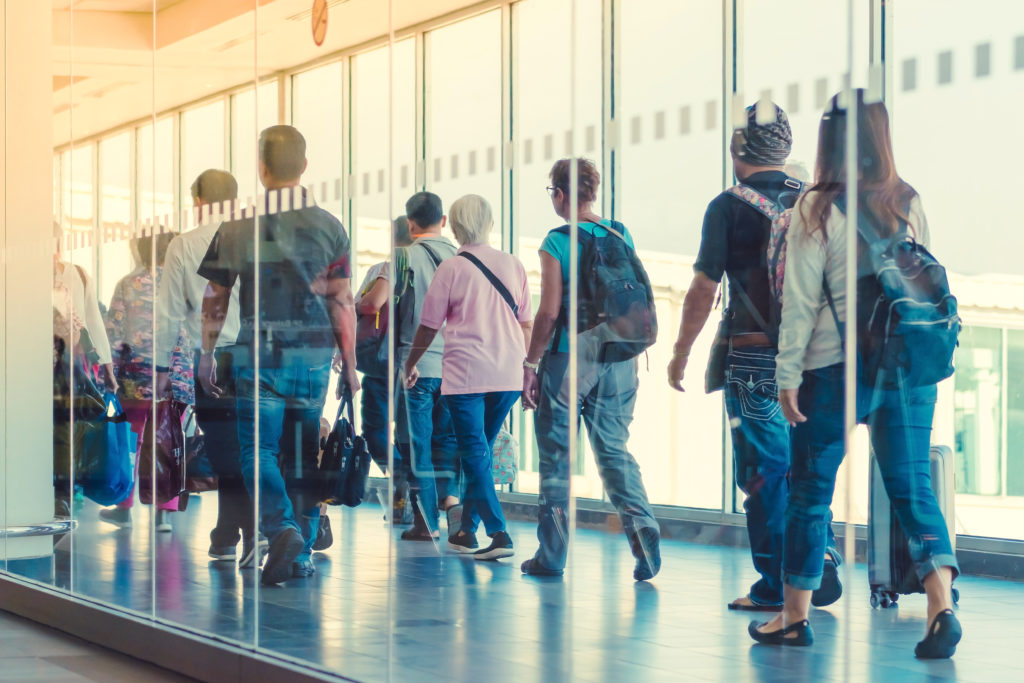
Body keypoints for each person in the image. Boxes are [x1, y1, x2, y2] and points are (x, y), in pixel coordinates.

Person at [749, 90, 961, 659]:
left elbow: (798, 301)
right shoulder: (908, 199)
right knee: (912, 487)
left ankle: (793, 616)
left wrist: (786, 375)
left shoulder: (815, 207)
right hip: (907, 367)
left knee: (811, 491)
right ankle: (940, 602)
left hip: (833, 368)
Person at [666, 102, 842, 611]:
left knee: (764, 475)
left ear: (736, 150)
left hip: (753, 361)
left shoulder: (727, 207)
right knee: (807, 469)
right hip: (813, 362)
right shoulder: (813, 202)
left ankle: (775, 584)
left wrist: (681, 352)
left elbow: (703, 289)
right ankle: (817, 558)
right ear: (785, 151)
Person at [197, 125, 359, 585]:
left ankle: (280, 526)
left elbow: (216, 295)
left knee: (258, 451)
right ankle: (301, 552)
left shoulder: (239, 224)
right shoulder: (330, 226)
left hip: (259, 352)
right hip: (312, 355)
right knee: (304, 455)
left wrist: (207, 352)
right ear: (305, 167)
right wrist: (349, 366)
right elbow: (342, 301)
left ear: (262, 168)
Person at [521, 158, 660, 580]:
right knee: (613, 448)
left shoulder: (557, 240)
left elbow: (548, 312)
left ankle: (552, 554)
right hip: (619, 355)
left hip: (570, 357)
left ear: (560, 194)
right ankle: (642, 526)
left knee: (559, 455)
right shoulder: (620, 232)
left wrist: (530, 363)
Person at [403, 194, 533, 561]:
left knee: (475, 453)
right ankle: (465, 531)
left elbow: (429, 326)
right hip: (507, 374)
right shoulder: (513, 265)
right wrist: (527, 371)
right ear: (489, 224)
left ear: (455, 227)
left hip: (467, 375)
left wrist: (411, 362)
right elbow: (526, 324)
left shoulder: (452, 269)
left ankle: (499, 533)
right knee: (480, 456)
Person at [154, 169, 267, 565]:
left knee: (223, 451)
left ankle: (246, 530)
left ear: (198, 202)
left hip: (212, 355)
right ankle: (227, 532)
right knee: (251, 448)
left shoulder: (184, 246)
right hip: (258, 354)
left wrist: (161, 366)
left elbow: (169, 313)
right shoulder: (255, 238)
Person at [360, 192, 458, 541]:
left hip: (413, 364)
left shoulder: (402, 258)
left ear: (410, 222)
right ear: (443, 220)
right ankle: (451, 501)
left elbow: (374, 303)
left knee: (414, 444)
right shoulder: (460, 256)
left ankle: (425, 520)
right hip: (455, 365)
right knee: (444, 441)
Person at [100, 232, 193, 532]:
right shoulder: (183, 285)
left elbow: (113, 333)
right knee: (167, 442)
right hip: (176, 380)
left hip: (135, 379)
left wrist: (109, 374)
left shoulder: (128, 284)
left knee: (133, 442)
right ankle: (163, 514)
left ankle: (123, 508)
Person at [52, 221, 119, 517]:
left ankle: (63, 493)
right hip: (35, 364)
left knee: (66, 429)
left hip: (67, 366)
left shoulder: (76, 274)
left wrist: (107, 367)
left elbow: (93, 321)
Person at [355, 216, 413, 525]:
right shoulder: (434, 269)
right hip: (419, 364)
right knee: (412, 435)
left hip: (380, 363)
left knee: (374, 432)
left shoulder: (383, 270)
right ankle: (411, 495)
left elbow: (367, 305)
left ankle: (400, 475)